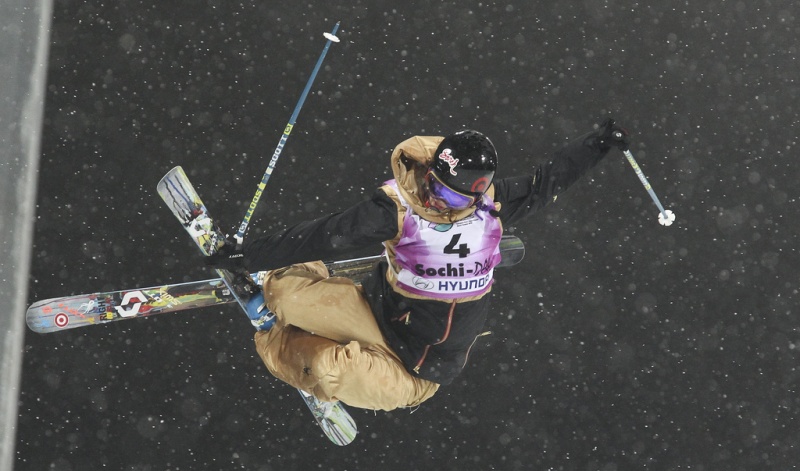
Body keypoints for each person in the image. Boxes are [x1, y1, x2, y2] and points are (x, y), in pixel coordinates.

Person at [207, 118, 630, 411]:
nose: (441, 202)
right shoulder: (397, 210)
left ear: (476, 195)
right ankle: (281, 290)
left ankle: (275, 337)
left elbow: (546, 181)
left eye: (455, 199)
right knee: (282, 294)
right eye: (437, 189)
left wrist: (597, 144)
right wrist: (249, 255)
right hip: (375, 317)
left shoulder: (491, 206)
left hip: (415, 373)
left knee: (329, 369)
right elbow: (327, 234)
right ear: (429, 174)